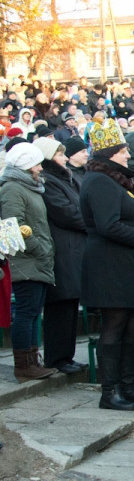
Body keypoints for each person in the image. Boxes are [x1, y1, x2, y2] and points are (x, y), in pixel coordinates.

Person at [79, 120, 134, 410]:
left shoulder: (115, 179)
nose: (128, 155)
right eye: (124, 150)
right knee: (115, 325)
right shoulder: (99, 181)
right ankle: (109, 392)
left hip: (130, 262)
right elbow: (108, 225)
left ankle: (129, 386)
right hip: (110, 264)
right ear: (111, 152)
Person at [1, 142, 56, 382]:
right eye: (36, 163)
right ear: (26, 164)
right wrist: (40, 249)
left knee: (33, 312)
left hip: (37, 259)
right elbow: (13, 224)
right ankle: (24, 364)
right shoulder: (13, 188)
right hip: (26, 260)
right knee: (26, 312)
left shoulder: (29, 187)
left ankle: (33, 360)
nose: (41, 168)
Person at [35, 138, 88, 375]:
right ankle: (57, 357)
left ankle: (66, 355)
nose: (65, 158)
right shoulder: (49, 181)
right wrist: (90, 222)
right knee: (60, 304)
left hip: (74, 248)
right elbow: (67, 213)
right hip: (62, 249)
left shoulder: (64, 179)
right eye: (59, 155)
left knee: (70, 303)